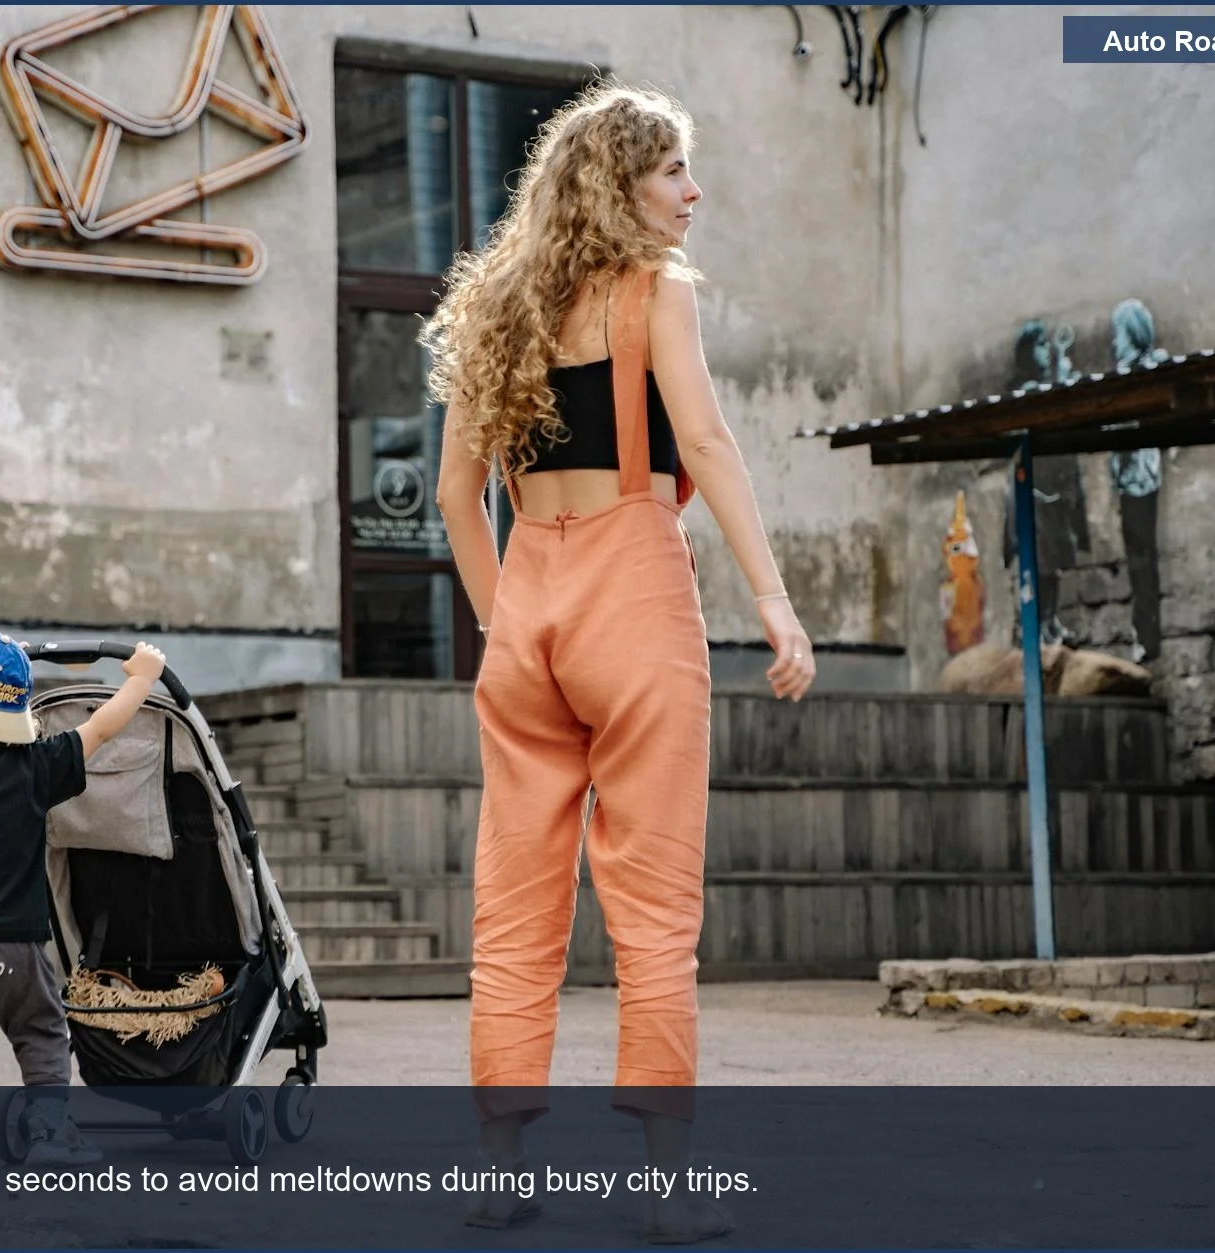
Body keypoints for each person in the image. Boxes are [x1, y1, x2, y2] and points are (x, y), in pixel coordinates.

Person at [423, 83, 817, 1243]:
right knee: (650, 907)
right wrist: (774, 602)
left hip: (525, 609)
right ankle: (661, 1188)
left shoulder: (493, 306)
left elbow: (456, 496)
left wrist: (505, 627)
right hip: (633, 594)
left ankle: (498, 1169)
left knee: (513, 903)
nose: (692, 194)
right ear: (618, 185)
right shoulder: (653, 294)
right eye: (672, 174)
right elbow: (702, 441)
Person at [0, 628, 168, 1170]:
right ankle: (50, 1133)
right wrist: (142, 679)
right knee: (43, 1033)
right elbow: (98, 729)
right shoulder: (35, 769)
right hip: (14, 946)